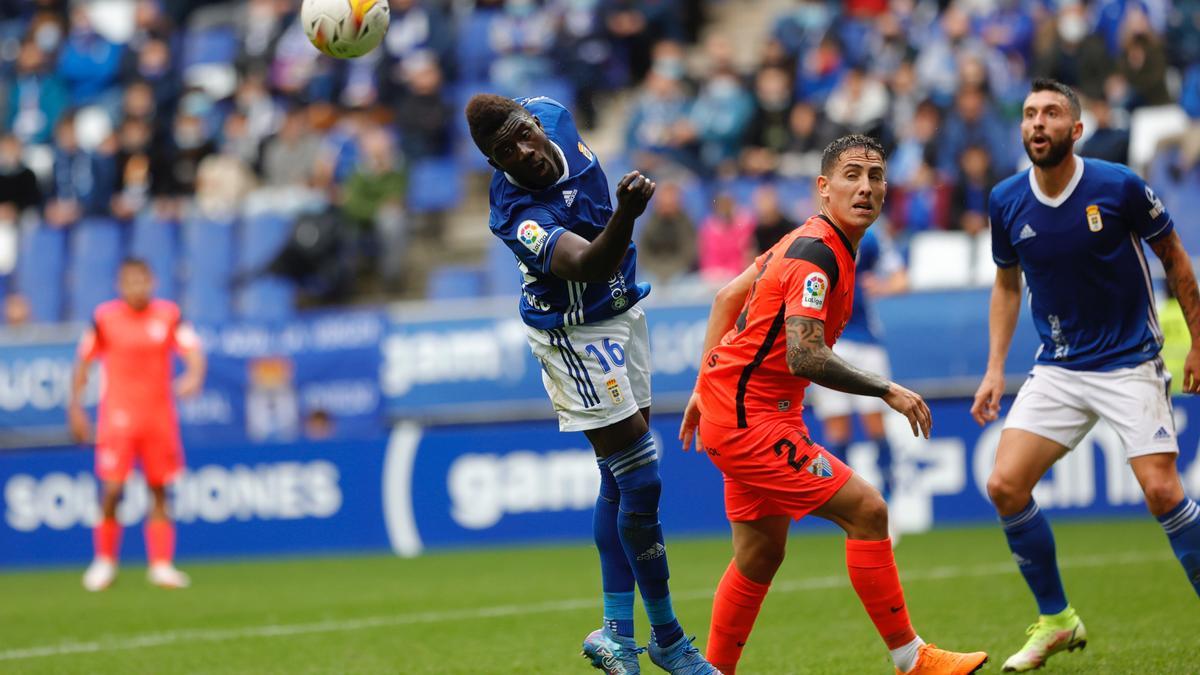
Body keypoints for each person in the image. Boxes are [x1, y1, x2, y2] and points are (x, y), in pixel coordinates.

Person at [680, 135, 988, 675]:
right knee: (867, 510)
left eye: (875, 176)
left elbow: (728, 296)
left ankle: (713, 671)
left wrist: (703, 385)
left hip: (740, 408)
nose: (865, 187)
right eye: (851, 175)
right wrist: (886, 388)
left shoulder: (813, 240)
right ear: (824, 188)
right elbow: (804, 355)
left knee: (760, 554)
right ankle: (912, 659)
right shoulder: (817, 253)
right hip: (753, 419)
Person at [464, 93, 718, 675]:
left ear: (533, 120)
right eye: (507, 152)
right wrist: (628, 212)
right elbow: (587, 264)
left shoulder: (552, 112)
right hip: (573, 331)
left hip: (623, 311)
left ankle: (616, 637)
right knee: (643, 477)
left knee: (621, 477)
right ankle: (669, 639)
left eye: (524, 134)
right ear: (495, 163)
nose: (526, 151)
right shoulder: (517, 213)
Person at [971, 78, 1200, 672]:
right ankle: (1056, 620)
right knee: (1004, 486)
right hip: (1059, 367)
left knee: (1161, 491)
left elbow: (1175, 258)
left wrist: (1199, 342)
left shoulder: (1119, 186)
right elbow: (1005, 283)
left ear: (1075, 130)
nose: (1037, 123)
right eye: (1028, 114)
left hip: (1130, 360)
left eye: (1050, 114)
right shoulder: (1005, 199)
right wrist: (995, 368)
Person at [68, 258, 205, 591]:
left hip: (159, 416)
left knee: (159, 489)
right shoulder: (105, 318)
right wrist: (75, 407)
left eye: (142, 281)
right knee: (113, 488)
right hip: (118, 416)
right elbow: (83, 362)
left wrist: (194, 376)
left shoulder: (169, 315)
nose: (137, 288)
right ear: (120, 285)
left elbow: (193, 350)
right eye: (130, 282)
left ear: (152, 282)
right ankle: (104, 562)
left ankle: (160, 565)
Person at [806, 226, 908, 525]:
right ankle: (847, 508)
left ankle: (890, 502)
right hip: (826, 346)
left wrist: (882, 286)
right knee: (837, 431)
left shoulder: (870, 237)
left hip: (865, 341)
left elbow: (901, 278)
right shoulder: (812, 238)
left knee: (875, 424)